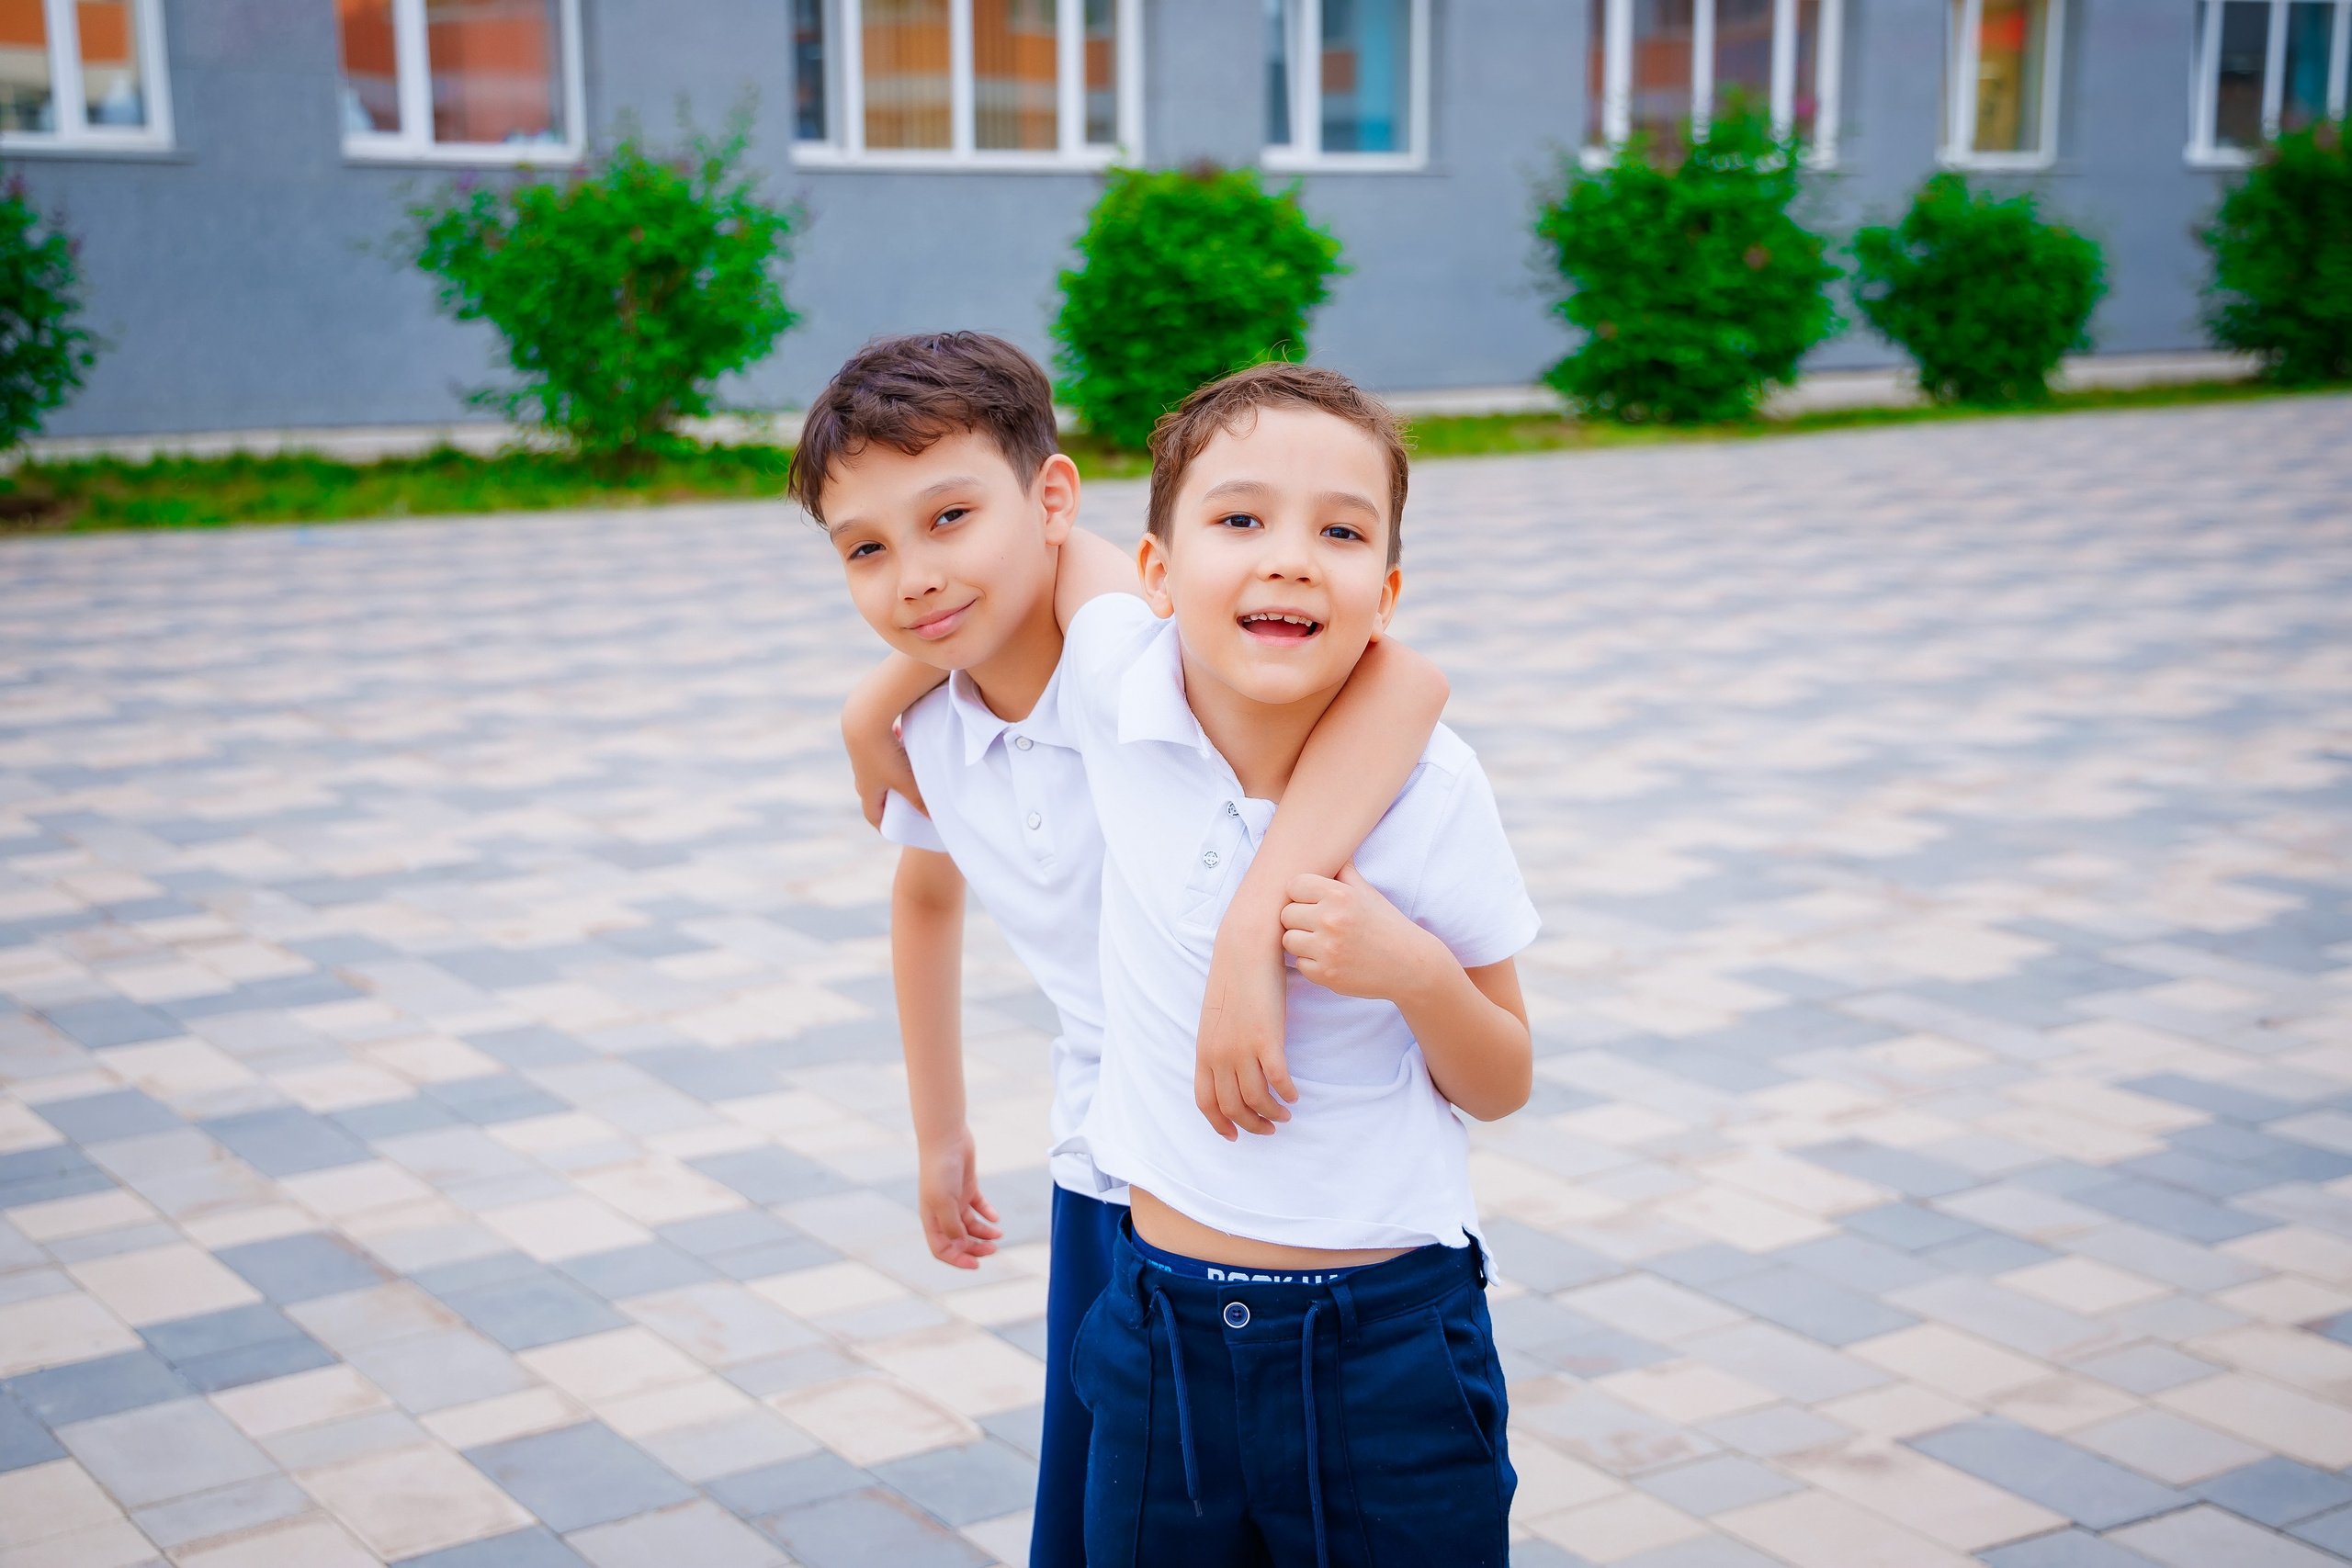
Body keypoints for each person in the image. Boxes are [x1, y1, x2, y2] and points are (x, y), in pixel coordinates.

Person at [795, 333, 1449, 1568]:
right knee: (1107, 1503)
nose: (917, 576)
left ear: (1050, 500)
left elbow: (1404, 681)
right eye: (866, 549)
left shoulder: (1135, 662)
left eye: (951, 517)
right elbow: (925, 898)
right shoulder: (932, 727)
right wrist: (940, 1133)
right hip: (1104, 1162)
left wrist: (1253, 922)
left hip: (1270, 1179)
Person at [1051, 362, 1538, 1568]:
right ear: (1157, 571)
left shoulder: (1435, 791)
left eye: (1342, 532)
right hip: (1158, 1332)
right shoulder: (1115, 693)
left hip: (1386, 1348)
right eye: (1239, 519)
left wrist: (1413, 971)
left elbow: (1503, 1080)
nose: (1290, 559)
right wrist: (874, 708)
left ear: (1387, 592)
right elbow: (1001, 557)